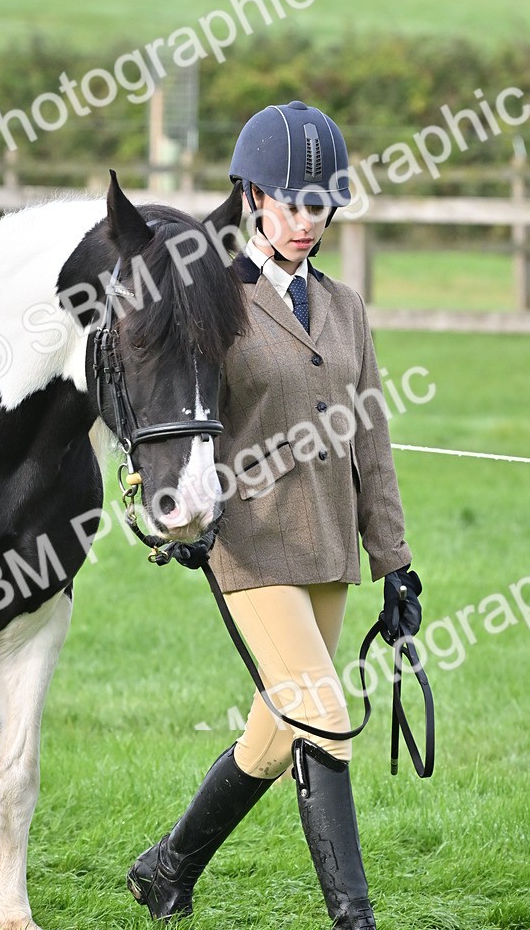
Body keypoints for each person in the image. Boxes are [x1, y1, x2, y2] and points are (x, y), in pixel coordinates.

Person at [126, 101, 423, 929]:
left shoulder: (346, 308)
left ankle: (166, 869)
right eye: (291, 203)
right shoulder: (211, 299)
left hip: (327, 548)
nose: (305, 221)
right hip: (249, 546)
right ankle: (354, 920)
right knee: (324, 719)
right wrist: (181, 518)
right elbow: (173, 417)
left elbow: (374, 442)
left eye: (320, 204)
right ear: (253, 196)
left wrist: (394, 562)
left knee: (273, 734)